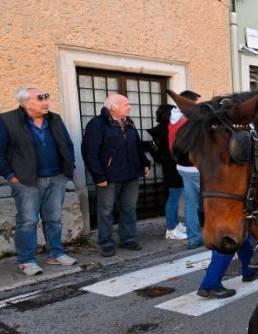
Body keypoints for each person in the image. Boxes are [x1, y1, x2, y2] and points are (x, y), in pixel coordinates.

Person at [0, 87, 78, 275]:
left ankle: (56, 254)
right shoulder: (7, 120)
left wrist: (69, 167)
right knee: (27, 221)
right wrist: (10, 176)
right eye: (40, 98)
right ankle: (26, 260)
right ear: (25, 102)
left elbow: (67, 144)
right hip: (26, 181)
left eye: (46, 97)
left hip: (57, 177)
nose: (46, 102)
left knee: (54, 219)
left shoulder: (55, 119)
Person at [82, 94, 150, 257]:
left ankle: (127, 239)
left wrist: (145, 163)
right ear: (113, 106)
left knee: (129, 208)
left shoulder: (129, 122)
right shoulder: (97, 124)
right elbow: (90, 152)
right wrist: (98, 176)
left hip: (131, 173)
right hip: (109, 176)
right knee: (105, 210)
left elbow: (137, 145)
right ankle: (106, 242)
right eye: (126, 104)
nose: (129, 107)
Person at [169, 90, 203, 249]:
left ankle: (194, 238)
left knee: (191, 204)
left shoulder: (173, 119)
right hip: (196, 167)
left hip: (182, 167)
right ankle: (212, 234)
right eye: (194, 103)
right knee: (211, 202)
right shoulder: (189, 120)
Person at [147, 104, 186, 240]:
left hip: (171, 166)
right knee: (173, 198)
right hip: (173, 167)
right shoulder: (167, 131)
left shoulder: (163, 130)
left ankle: (175, 224)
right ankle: (171, 229)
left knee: (174, 197)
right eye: (175, 112)